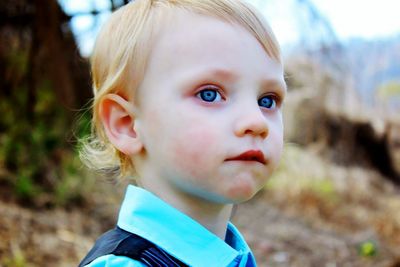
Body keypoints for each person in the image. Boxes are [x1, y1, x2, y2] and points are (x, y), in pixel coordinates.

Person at [79, 0, 286, 266]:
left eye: (267, 100)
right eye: (209, 94)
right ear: (127, 124)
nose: (257, 121)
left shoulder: (231, 255)